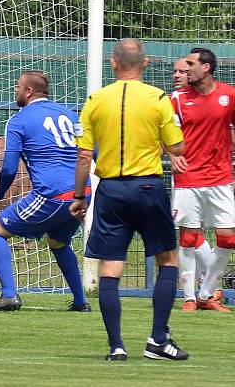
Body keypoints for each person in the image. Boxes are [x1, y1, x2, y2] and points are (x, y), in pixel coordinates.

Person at [71, 39, 187, 361]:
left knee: (110, 269)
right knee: (168, 260)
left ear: (113, 63)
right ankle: (158, 340)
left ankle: (116, 347)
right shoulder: (159, 98)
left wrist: (80, 196)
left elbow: (83, 158)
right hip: (149, 188)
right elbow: (177, 148)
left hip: (110, 191)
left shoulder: (95, 99)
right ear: (146, 63)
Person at [0, 71, 90, 312]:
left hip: (51, 194)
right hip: (82, 193)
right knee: (58, 241)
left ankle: (9, 295)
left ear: (29, 91)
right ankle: (81, 301)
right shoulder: (70, 114)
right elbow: (91, 153)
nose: (15, 91)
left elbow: (10, 167)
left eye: (18, 87)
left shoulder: (19, 120)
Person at [169, 48, 235, 312]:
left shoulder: (229, 95)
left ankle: (206, 293)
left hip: (220, 177)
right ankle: (188, 298)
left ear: (206, 67)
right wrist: (173, 155)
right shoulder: (177, 98)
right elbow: (166, 133)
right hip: (188, 177)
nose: (185, 70)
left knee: (228, 238)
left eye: (190, 64)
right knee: (188, 237)